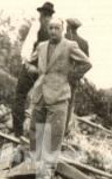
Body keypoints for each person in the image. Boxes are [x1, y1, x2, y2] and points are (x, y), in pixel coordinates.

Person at [25, 17, 92, 170]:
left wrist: (70, 77)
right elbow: (30, 61)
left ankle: (48, 170)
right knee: (36, 130)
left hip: (59, 95)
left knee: (54, 134)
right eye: (51, 28)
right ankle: (34, 166)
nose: (53, 31)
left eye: (57, 28)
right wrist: (33, 70)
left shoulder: (70, 46)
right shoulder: (41, 46)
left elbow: (87, 63)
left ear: (63, 30)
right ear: (48, 30)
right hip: (40, 93)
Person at [13, 1, 55, 134]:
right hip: (44, 72)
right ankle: (37, 134)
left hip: (31, 68)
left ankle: (18, 131)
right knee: (40, 103)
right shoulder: (54, 31)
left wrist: (26, 63)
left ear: (41, 14)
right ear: (50, 15)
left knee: (20, 96)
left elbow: (28, 47)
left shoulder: (37, 27)